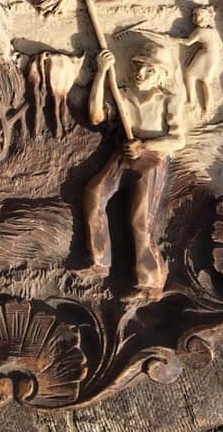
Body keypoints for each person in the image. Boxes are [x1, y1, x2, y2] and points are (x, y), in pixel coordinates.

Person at [82, 42, 186, 299]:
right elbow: (96, 117)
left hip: (151, 160)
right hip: (123, 156)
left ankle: (148, 282)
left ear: (162, 76)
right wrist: (101, 72)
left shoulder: (168, 100)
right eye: (138, 66)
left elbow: (178, 140)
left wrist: (145, 145)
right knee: (93, 194)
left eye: (150, 70)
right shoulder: (123, 95)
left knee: (140, 219)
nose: (140, 73)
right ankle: (98, 258)